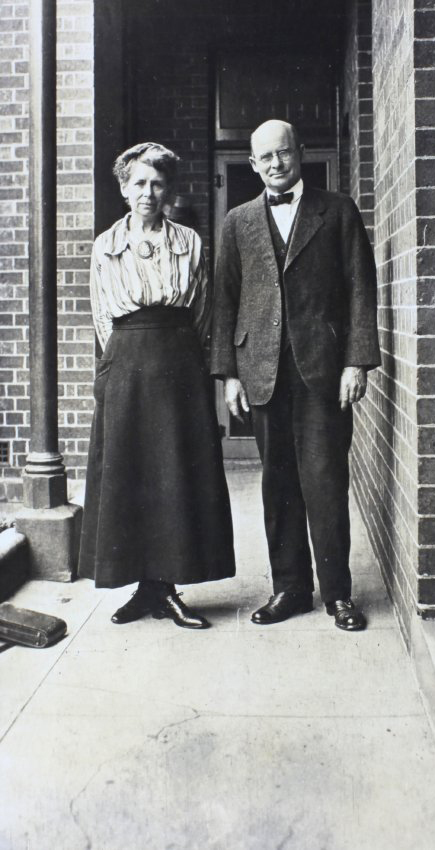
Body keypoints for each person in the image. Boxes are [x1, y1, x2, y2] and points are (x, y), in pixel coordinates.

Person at [211, 120, 380, 631]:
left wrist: (356, 361)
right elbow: (225, 302)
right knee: (278, 483)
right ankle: (290, 588)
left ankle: (338, 594)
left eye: (283, 153)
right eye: (265, 157)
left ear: (300, 153)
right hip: (262, 373)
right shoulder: (237, 222)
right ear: (253, 163)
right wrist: (229, 375)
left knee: (326, 481)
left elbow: (360, 288)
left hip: (323, 372)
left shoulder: (338, 211)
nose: (275, 164)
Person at [78, 142, 235, 628]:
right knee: (131, 473)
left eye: (157, 184)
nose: (148, 192)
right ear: (124, 189)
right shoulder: (105, 245)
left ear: (168, 190)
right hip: (126, 365)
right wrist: (119, 366)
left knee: (175, 473)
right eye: (139, 183)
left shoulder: (190, 242)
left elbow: (203, 311)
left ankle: (167, 587)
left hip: (179, 365)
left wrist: (182, 357)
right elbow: (102, 316)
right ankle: (144, 588)